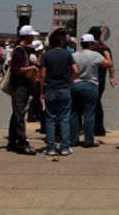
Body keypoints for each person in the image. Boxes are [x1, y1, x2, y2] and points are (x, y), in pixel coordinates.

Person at [40, 28, 78, 156]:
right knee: (64, 118)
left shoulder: (46, 55)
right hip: (64, 88)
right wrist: (69, 82)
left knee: (50, 119)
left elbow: (43, 74)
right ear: (61, 41)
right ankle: (65, 147)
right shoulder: (67, 54)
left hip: (50, 88)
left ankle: (50, 148)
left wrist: (41, 90)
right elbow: (76, 71)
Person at [70, 34, 112, 148]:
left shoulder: (74, 55)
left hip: (75, 85)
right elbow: (109, 64)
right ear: (90, 44)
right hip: (90, 85)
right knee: (89, 114)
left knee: (74, 113)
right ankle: (89, 140)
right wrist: (107, 55)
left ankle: (73, 139)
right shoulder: (95, 55)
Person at [7, 25, 41, 155]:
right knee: (20, 114)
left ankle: (12, 141)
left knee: (17, 113)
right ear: (27, 36)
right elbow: (16, 70)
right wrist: (31, 69)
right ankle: (22, 143)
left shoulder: (25, 49)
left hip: (23, 86)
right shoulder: (19, 50)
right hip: (19, 86)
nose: (33, 37)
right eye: (32, 35)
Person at [89, 26, 116, 137]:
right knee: (97, 102)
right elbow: (111, 64)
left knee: (94, 103)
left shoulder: (92, 48)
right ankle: (98, 128)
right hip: (102, 79)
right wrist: (111, 77)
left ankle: (98, 128)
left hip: (92, 79)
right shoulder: (105, 47)